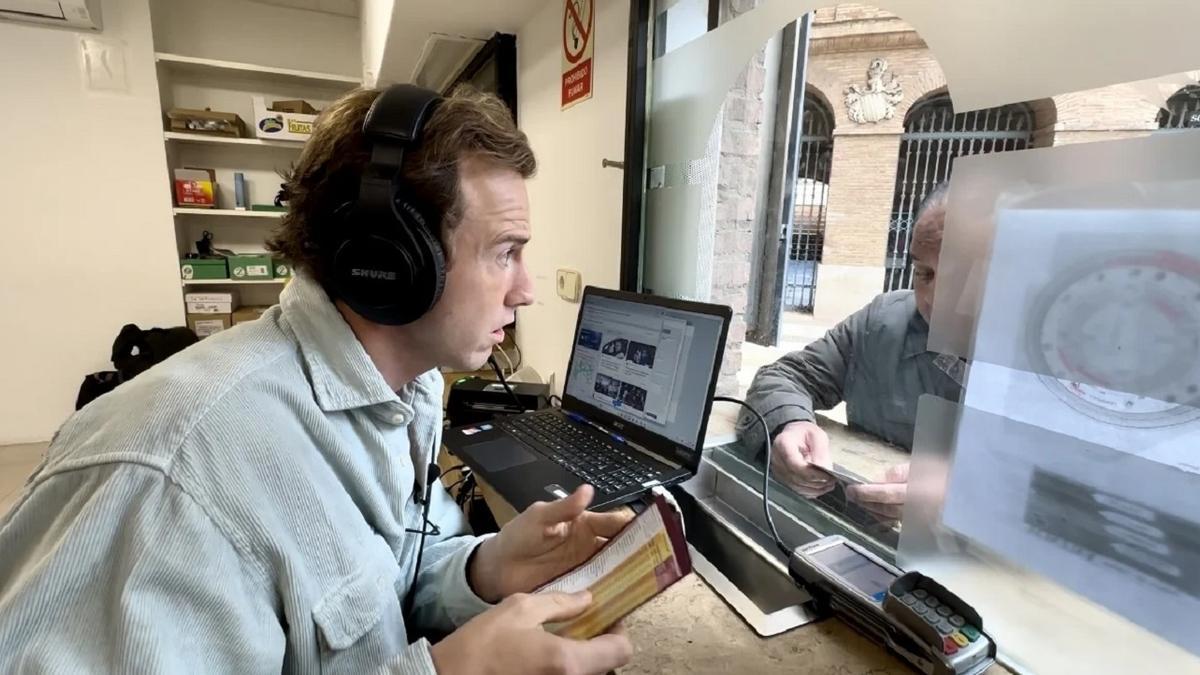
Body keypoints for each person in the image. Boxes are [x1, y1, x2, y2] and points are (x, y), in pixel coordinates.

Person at [0, 85, 635, 675]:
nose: (525, 291)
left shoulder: (401, 393)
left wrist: (486, 569)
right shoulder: (170, 482)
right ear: (389, 262)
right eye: (505, 252)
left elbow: (382, 587)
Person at [738, 184, 962, 520]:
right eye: (924, 274)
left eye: (961, 278)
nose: (933, 298)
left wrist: (968, 493)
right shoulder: (882, 323)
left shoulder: (1057, 365)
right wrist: (791, 423)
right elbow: (786, 376)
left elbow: (1062, 489)